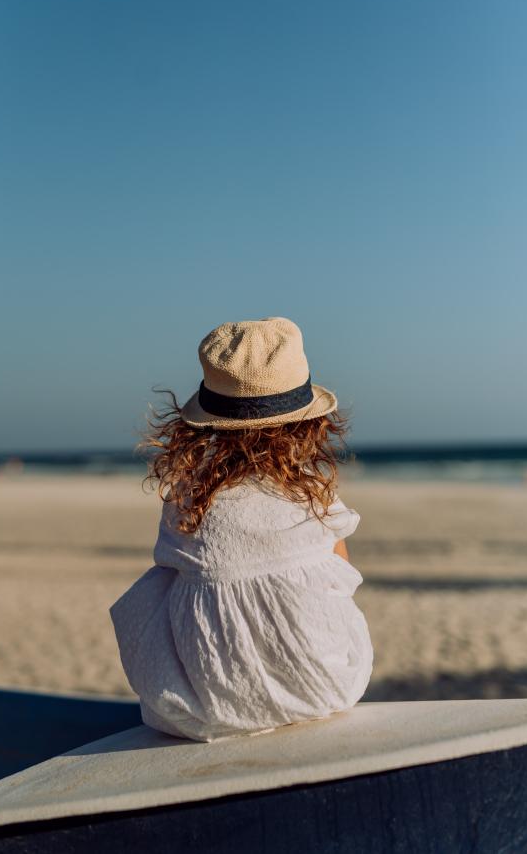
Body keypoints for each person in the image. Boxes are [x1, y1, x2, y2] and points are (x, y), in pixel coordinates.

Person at [110, 318, 372, 742]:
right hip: (324, 687)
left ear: (206, 425)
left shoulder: (189, 499)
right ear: (307, 423)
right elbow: (342, 581)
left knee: (166, 582)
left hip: (200, 706)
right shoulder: (313, 499)